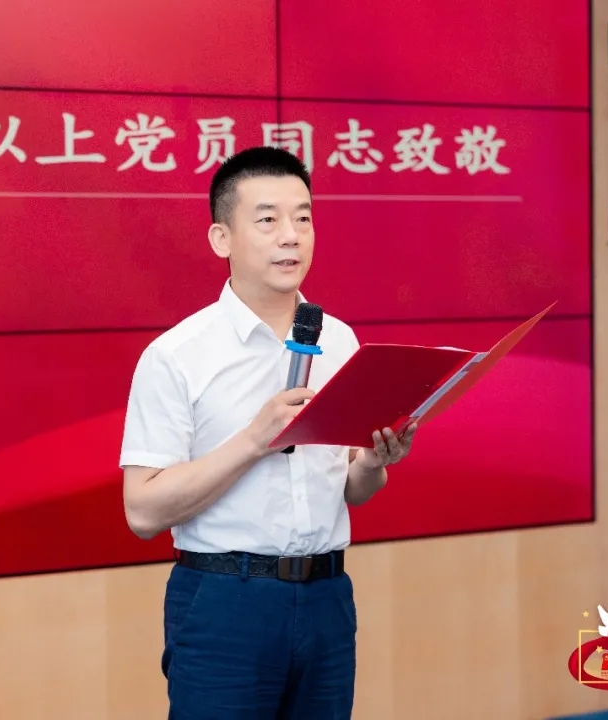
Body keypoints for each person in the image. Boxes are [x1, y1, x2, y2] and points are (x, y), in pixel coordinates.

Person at [119, 146, 417, 719]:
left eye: (303, 218)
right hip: (225, 602)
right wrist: (255, 440)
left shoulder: (340, 342)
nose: (291, 236)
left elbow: (353, 489)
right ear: (221, 238)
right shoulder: (178, 355)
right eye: (267, 220)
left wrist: (375, 461)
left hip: (327, 597)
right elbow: (143, 511)